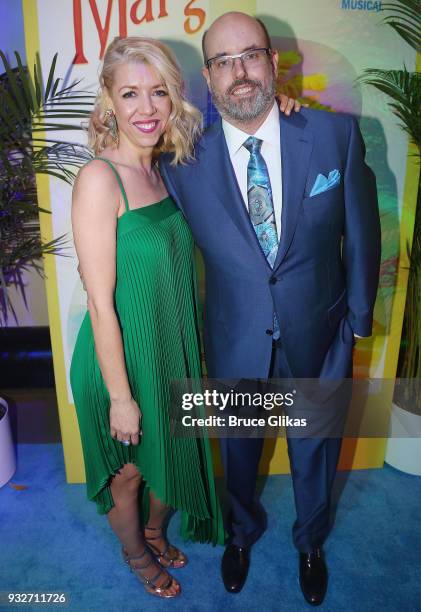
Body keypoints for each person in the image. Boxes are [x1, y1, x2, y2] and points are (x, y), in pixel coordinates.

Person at [159, 12, 381, 605]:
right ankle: (241, 535)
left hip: (321, 332)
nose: (239, 73)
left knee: (316, 450)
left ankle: (311, 541)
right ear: (209, 77)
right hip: (235, 340)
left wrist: (357, 321)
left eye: (250, 55)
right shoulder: (180, 162)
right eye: (223, 62)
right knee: (240, 451)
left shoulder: (334, 135)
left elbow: (362, 230)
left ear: (273, 61)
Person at [70, 35, 298, 600]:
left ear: (174, 99)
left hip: (173, 347)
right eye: (130, 94)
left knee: (173, 454)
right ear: (109, 102)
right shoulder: (100, 180)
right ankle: (135, 553)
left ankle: (152, 530)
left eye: (159, 93)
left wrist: (282, 109)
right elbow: (101, 302)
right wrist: (122, 398)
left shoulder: (170, 168)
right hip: (120, 355)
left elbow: (244, 141)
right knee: (128, 476)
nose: (146, 109)